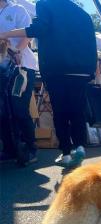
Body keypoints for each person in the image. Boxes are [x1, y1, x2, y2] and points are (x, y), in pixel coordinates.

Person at [0, 0, 97, 168]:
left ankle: (65, 153)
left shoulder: (45, 4)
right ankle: (79, 147)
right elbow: (91, 43)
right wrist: (91, 70)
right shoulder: (83, 14)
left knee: (60, 111)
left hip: (55, 68)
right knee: (77, 110)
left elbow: (38, 29)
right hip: (80, 70)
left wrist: (5, 35)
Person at [0, 0, 38, 166]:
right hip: (2, 68)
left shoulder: (17, 9)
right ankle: (10, 149)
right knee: (1, 111)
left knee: (18, 109)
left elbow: (28, 34)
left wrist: (17, 50)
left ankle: (30, 149)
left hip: (21, 66)